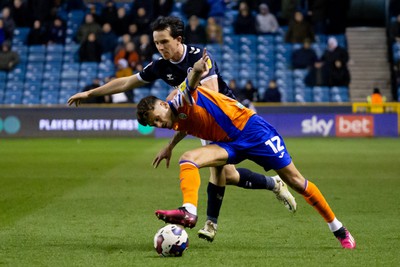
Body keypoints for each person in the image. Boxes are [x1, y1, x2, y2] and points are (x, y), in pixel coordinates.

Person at [68, 16, 296, 242]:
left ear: (178, 39)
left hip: (225, 119)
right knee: (227, 174)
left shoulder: (198, 57)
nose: (160, 47)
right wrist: (90, 94)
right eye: (156, 43)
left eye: (164, 42)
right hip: (199, 118)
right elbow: (128, 82)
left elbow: (209, 98)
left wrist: (175, 119)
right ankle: (273, 184)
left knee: (219, 171)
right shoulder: (160, 66)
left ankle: (211, 223)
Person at [136, 50, 356, 249]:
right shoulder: (173, 117)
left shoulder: (177, 101)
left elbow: (191, 85)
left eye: (156, 118)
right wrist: (170, 146)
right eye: (153, 124)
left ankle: (339, 229)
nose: (158, 124)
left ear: (164, 106)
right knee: (188, 159)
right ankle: (189, 212)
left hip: (253, 131)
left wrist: (196, 71)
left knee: (297, 182)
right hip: (228, 143)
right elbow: (184, 124)